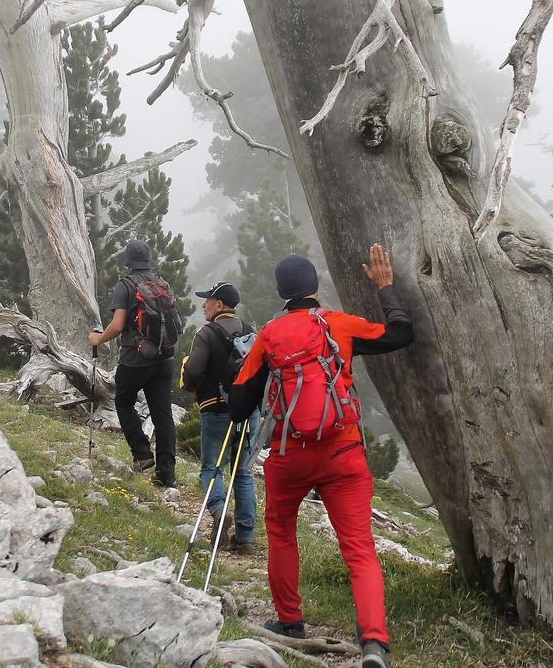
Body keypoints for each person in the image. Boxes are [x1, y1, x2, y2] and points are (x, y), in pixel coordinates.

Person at [227, 245, 413, 668]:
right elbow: (401, 333)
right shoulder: (339, 326)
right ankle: (373, 642)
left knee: (281, 532)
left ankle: (290, 621)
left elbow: (239, 404)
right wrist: (385, 288)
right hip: (343, 452)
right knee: (359, 547)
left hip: (289, 456)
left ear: (282, 293)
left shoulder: (270, 335)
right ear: (314, 287)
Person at [88, 239, 180, 488]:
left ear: (128, 262)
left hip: (135, 359)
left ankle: (141, 454)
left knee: (123, 401)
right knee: (162, 414)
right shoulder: (163, 284)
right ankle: (166, 473)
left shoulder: (126, 285)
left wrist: (97, 338)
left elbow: (117, 325)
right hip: (164, 358)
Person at [180, 281, 258, 555]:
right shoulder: (250, 331)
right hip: (249, 412)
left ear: (220, 305)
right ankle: (246, 537)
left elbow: (192, 373)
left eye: (208, 300)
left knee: (212, 468)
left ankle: (217, 509)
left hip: (216, 409)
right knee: (243, 471)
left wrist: (191, 388)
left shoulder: (207, 333)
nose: (204, 304)